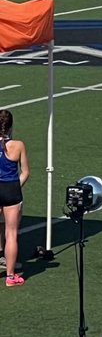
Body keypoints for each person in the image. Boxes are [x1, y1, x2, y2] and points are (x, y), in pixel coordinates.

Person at [0, 109, 28, 286]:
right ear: (10, 127)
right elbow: (25, 172)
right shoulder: (18, 145)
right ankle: (10, 277)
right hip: (11, 189)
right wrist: (15, 186)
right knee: (11, 233)